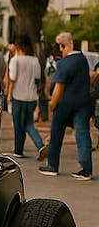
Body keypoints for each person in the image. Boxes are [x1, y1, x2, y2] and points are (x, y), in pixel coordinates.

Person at [39, 32, 93, 180]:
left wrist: (52, 105)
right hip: (83, 103)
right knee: (82, 133)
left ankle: (53, 165)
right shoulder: (82, 59)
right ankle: (86, 169)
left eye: (60, 47)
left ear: (65, 45)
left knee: (56, 133)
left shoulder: (65, 63)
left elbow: (59, 87)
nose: (60, 51)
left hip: (64, 104)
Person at [7, 35, 46, 159]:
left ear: (18, 46)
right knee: (29, 123)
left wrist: (8, 96)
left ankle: (19, 150)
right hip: (32, 97)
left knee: (18, 125)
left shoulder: (15, 60)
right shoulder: (35, 60)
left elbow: (12, 79)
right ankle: (40, 145)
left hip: (18, 96)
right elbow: (37, 79)